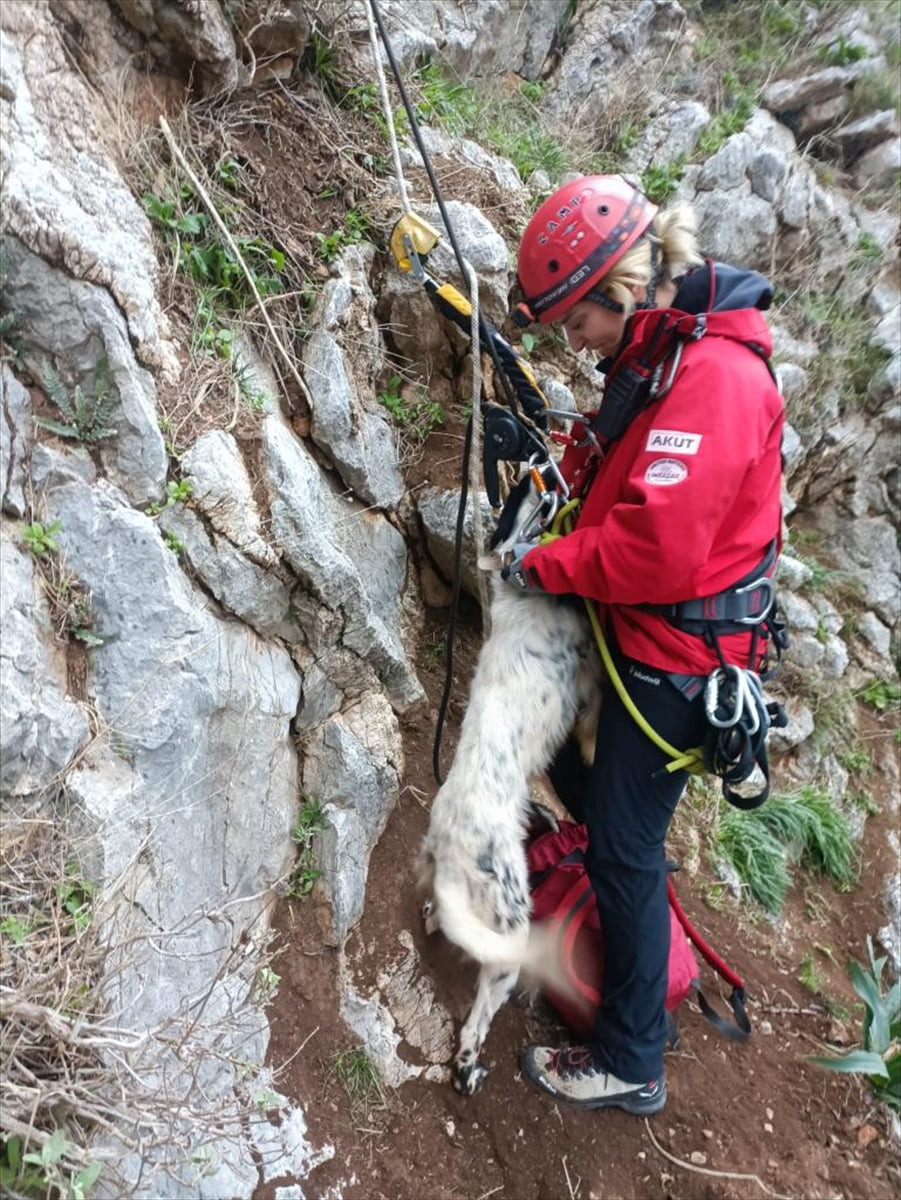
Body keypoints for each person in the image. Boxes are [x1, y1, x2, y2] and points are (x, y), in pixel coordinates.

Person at [503, 174, 785, 1114]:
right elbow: (624, 469)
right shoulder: (666, 355)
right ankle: (607, 905)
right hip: (646, 638)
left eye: (577, 322)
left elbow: (655, 550)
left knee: (626, 848)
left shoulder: (716, 379)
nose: (575, 343)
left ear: (620, 288)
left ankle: (630, 1060)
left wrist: (544, 566)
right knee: (591, 792)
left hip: (678, 664)